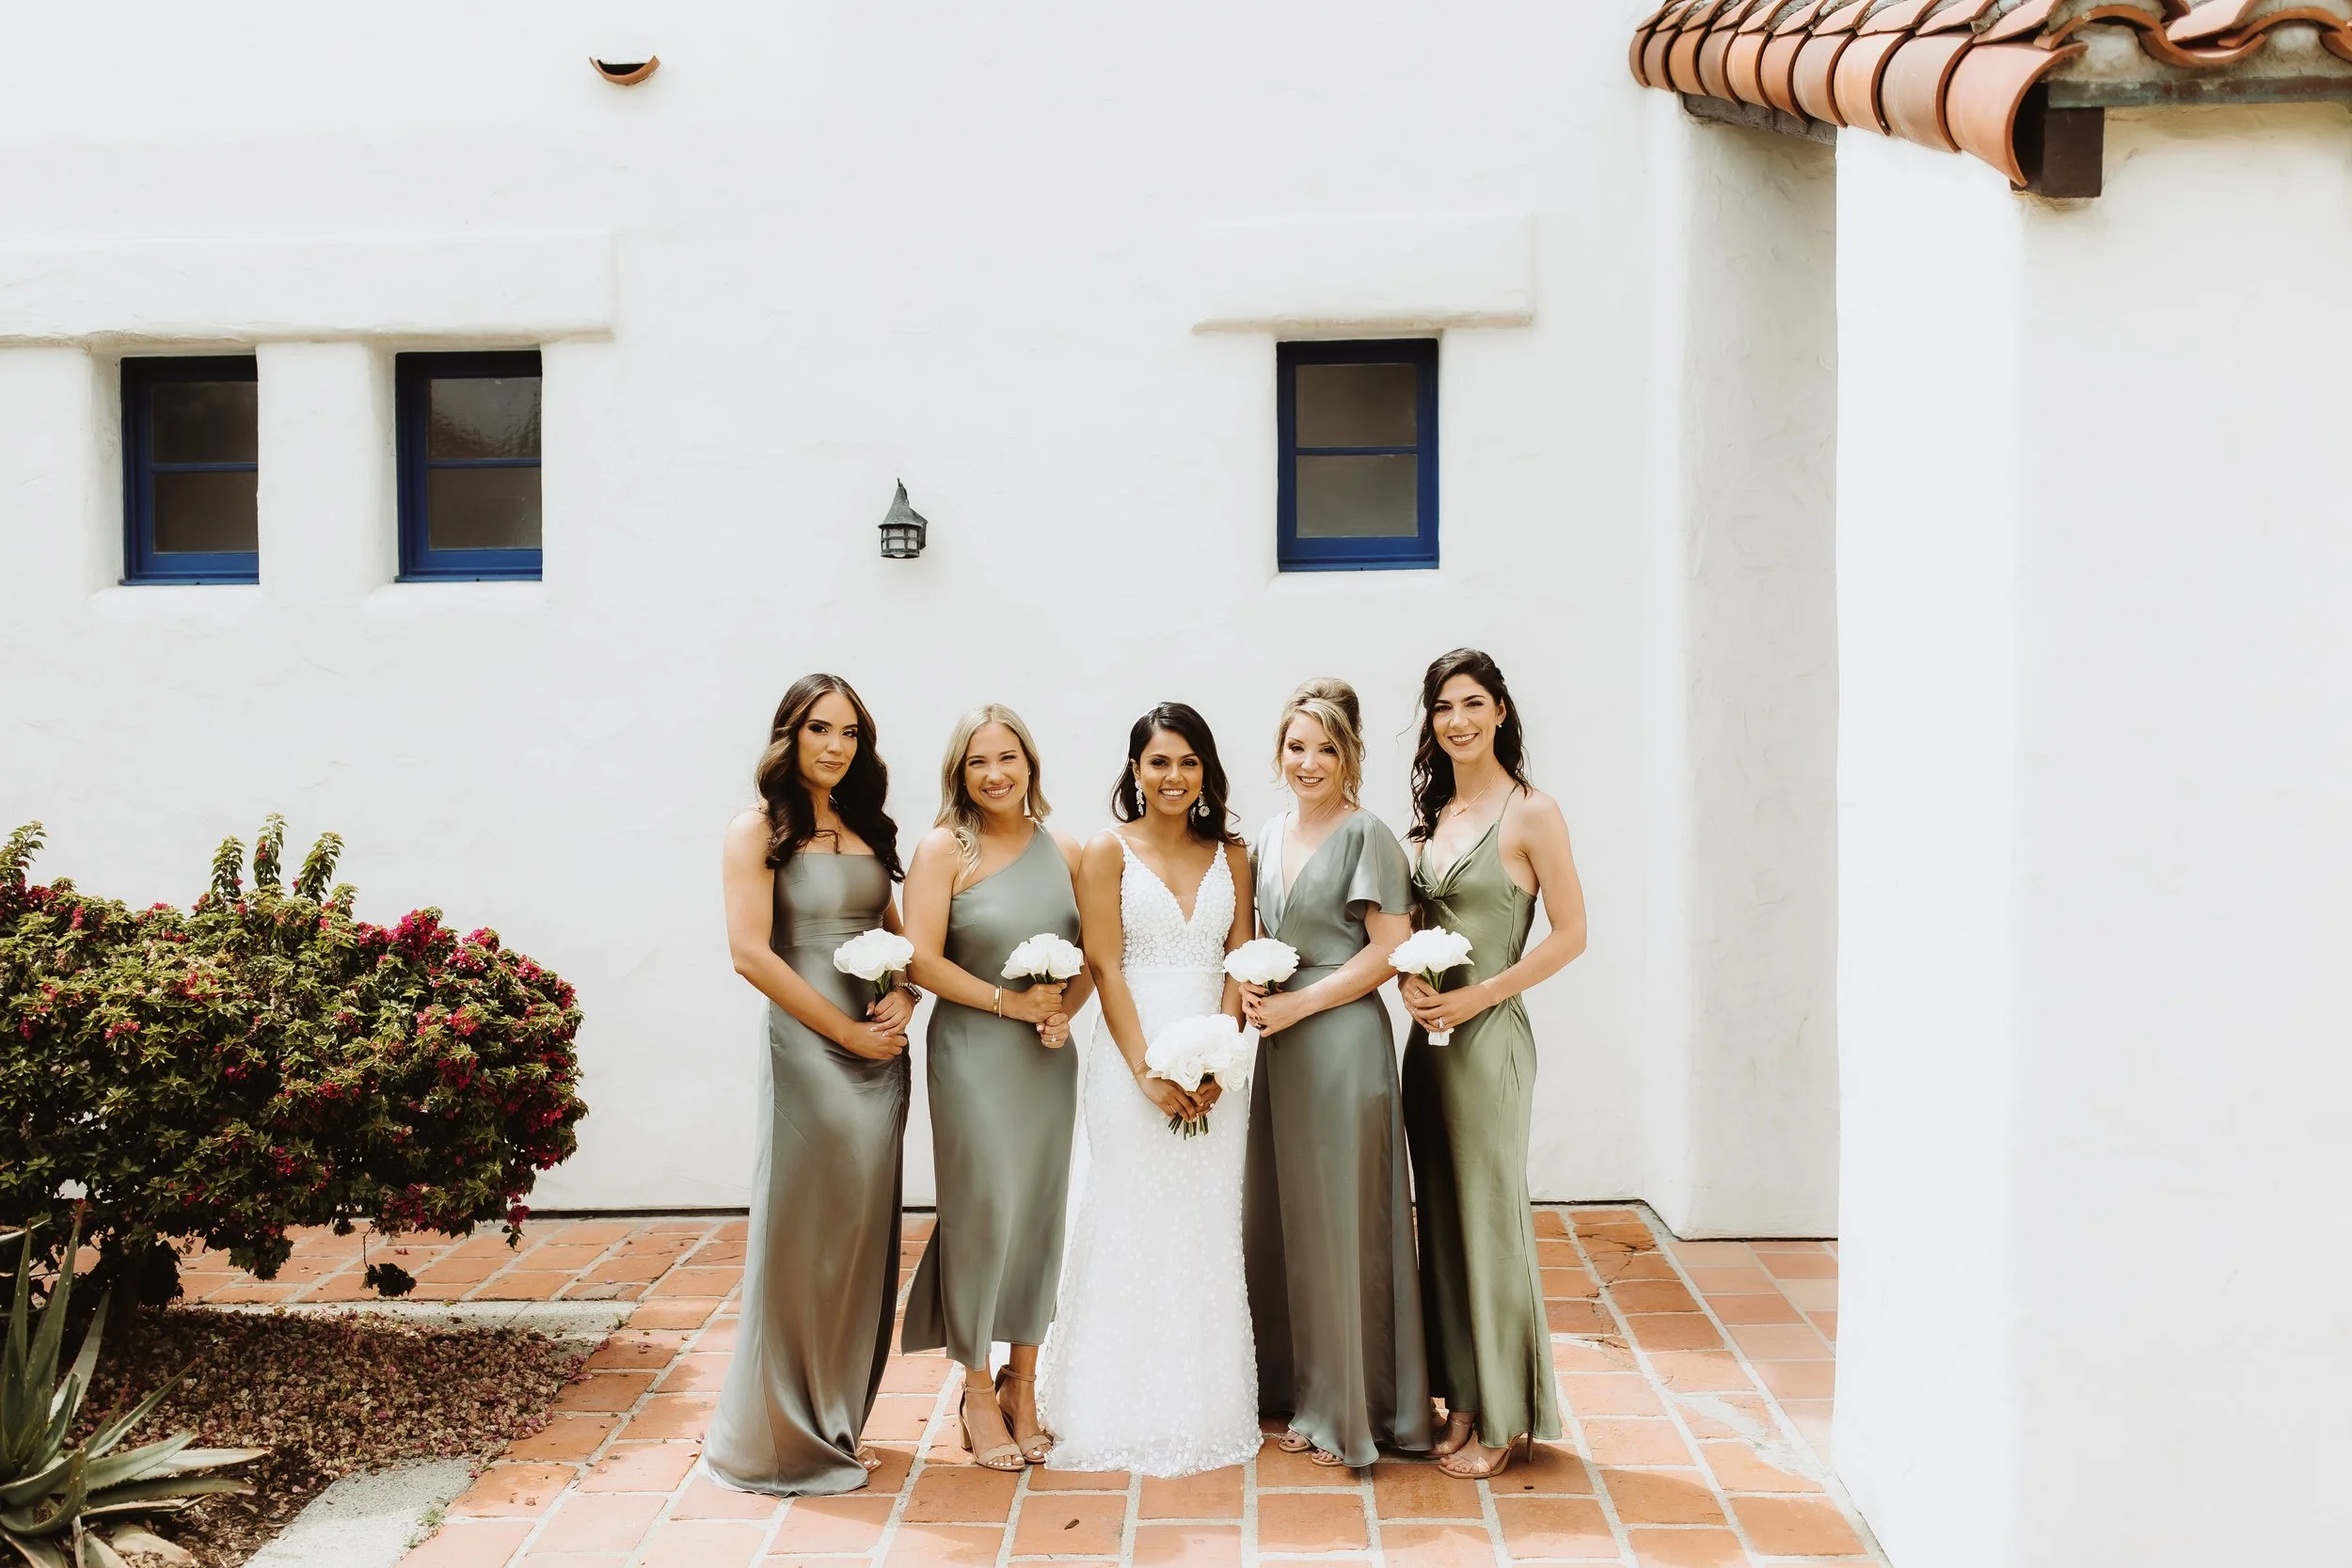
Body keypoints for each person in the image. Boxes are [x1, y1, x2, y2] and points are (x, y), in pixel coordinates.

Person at [1035, 703, 1263, 1477]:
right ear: (1135, 770)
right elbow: (1105, 966)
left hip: (1217, 1066)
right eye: (1159, 761)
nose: (1174, 776)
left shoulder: (1232, 854)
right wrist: (1146, 1070)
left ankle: (1204, 1402)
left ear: (1206, 771)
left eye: (1189, 762)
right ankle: (1106, 1402)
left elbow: (1239, 957)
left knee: (1205, 1221)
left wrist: (1221, 1055)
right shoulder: (1108, 850)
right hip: (1131, 1058)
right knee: (1129, 1213)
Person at [706, 673, 916, 1497]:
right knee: (803, 1233)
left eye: (851, 733)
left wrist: (906, 994)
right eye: (820, 729)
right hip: (809, 1049)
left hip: (879, 1054)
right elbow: (750, 953)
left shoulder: (866, 826)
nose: (836, 746)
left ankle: (836, 1416)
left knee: (862, 1231)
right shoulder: (756, 829)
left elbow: (898, 938)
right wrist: (844, 1031)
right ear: (789, 734)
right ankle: (777, 1436)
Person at [1398, 649, 1588, 1481]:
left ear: (1501, 710)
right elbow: (1413, 928)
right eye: (1444, 706)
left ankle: (1508, 1417)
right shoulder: (1434, 815)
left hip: (1490, 1042)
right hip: (1427, 1045)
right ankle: (1465, 1400)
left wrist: (1480, 995)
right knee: (1441, 1220)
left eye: (1473, 703)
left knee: (1491, 1222)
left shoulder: (1531, 812)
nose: (1458, 720)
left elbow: (1572, 934)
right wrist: (1409, 979)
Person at [1239, 678, 1432, 1468]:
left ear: (1350, 754)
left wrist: (1300, 1003)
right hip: (1282, 1046)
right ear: (1279, 752)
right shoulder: (1267, 835)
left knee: (1342, 1220)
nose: (1309, 762)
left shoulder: (1368, 835)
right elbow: (1261, 934)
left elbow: (1390, 949)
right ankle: (1291, 1384)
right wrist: (1256, 990)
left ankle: (1351, 1405)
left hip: (1342, 1042)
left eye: (1326, 748)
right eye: (1296, 746)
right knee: (1286, 1217)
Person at [900, 705, 1092, 1468]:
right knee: (982, 1211)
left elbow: (1093, 953)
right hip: (973, 1054)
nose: (995, 773)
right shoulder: (944, 848)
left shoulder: (1066, 849)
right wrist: (1010, 1005)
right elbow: (922, 960)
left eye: (1007, 756)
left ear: (1030, 763)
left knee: (1039, 1212)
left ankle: (1023, 1383)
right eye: (978, 761)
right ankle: (976, 1389)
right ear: (960, 773)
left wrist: (1063, 1012)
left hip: (1045, 1061)